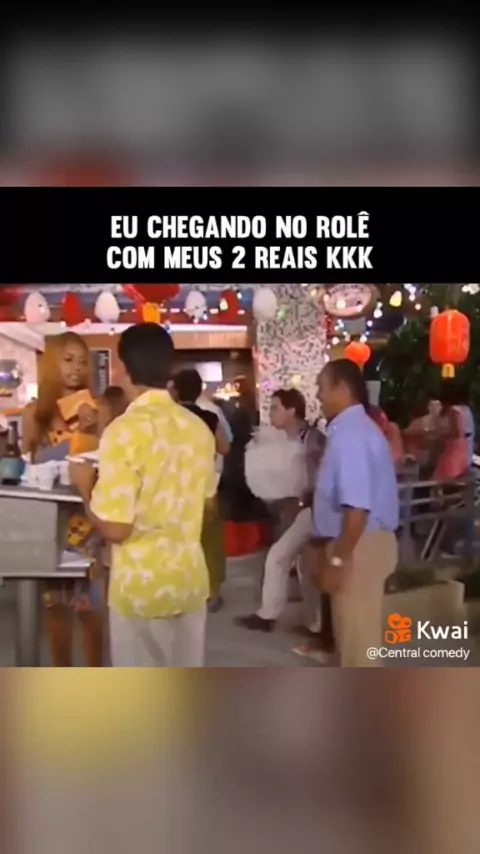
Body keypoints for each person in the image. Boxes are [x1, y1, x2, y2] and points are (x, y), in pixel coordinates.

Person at [69, 324, 216, 667]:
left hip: (140, 588)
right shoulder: (198, 428)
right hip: (188, 582)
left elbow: (116, 528)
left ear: (123, 369)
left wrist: (84, 487)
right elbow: (208, 505)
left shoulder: (124, 431)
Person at [300, 359, 399, 667]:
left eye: (321, 387)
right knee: (355, 642)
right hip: (358, 543)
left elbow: (357, 508)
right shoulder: (351, 430)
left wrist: (338, 561)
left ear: (342, 388)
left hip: (359, 546)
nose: (317, 395)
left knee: (359, 650)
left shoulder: (351, 435)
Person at [21, 331, 104, 667]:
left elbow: (107, 464)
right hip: (50, 525)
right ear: (52, 364)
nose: (76, 368)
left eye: (83, 361)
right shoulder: (34, 413)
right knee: (56, 613)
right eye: (68, 360)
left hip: (89, 523)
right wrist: (70, 445)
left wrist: (91, 431)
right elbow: (29, 463)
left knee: (92, 615)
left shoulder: (98, 409)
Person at [236, 388, 328, 640]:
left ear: (291, 410)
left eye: (275, 407)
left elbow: (323, 477)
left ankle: (269, 615)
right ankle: (315, 624)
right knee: (302, 564)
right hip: (303, 508)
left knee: (279, 556)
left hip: (315, 509)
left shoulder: (312, 439)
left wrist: (303, 498)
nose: (270, 412)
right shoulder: (284, 439)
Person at [172, 369, 230, 612]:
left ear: (175, 391)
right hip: (205, 487)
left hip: (175, 489)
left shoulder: (169, 418)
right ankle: (212, 593)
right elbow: (224, 447)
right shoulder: (208, 417)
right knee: (210, 542)